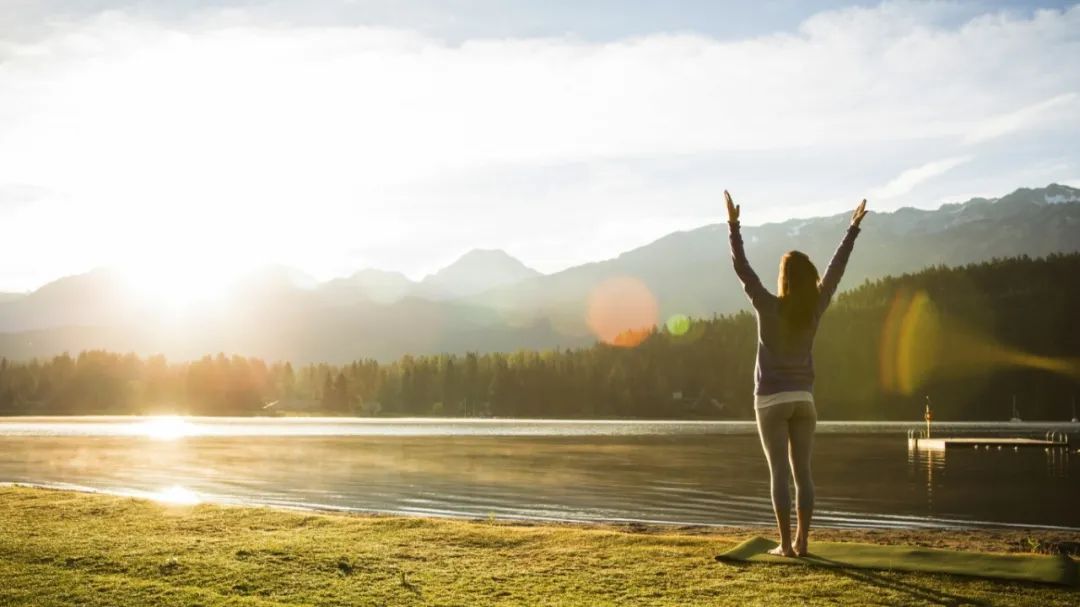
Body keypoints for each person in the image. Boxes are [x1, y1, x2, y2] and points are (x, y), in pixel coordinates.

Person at [725, 190, 867, 557]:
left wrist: (734, 226)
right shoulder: (814, 308)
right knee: (803, 474)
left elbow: (742, 269)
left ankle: (786, 546)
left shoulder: (767, 306)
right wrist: (851, 230)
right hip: (804, 400)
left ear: (784, 279)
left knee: (779, 475)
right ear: (808, 280)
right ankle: (804, 542)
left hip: (770, 401)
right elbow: (836, 272)